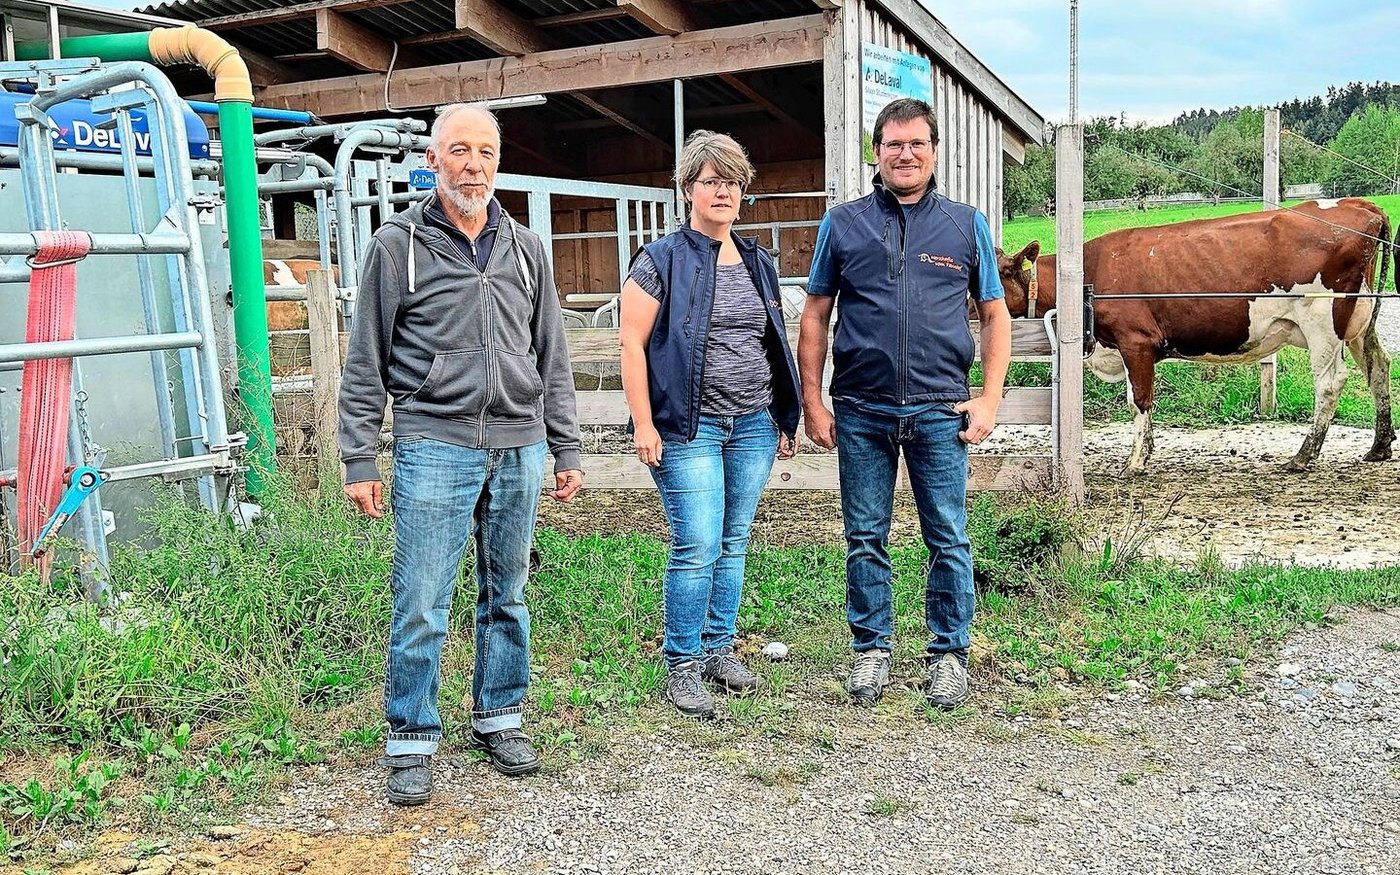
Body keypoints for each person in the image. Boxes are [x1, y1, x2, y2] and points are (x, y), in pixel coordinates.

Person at [338, 103, 584, 803]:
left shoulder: (526, 248)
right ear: (432, 160)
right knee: (422, 599)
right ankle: (411, 737)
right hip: (433, 443)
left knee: (508, 591)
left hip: (519, 444)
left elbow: (551, 354)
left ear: (497, 162)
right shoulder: (397, 246)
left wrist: (565, 445)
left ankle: (499, 716)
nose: (473, 166)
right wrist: (360, 457)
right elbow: (366, 360)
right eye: (459, 151)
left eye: (485, 152)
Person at [797, 98, 1011, 711]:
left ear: (935, 151)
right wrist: (813, 400)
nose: (906, 154)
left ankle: (949, 655)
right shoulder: (842, 224)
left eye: (917, 143)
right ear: (877, 152)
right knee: (865, 534)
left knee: (947, 535)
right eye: (894, 144)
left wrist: (989, 398)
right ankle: (871, 650)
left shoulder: (965, 225)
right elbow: (815, 315)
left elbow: (994, 315)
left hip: (941, 409)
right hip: (861, 408)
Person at [619, 130, 801, 719]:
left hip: (752, 423)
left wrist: (783, 414)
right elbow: (631, 343)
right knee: (696, 542)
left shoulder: (757, 261)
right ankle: (683, 661)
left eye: (732, 182)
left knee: (732, 539)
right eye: (710, 181)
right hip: (687, 426)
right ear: (687, 189)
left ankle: (719, 648)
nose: (722, 192)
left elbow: (772, 342)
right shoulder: (660, 260)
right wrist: (644, 424)